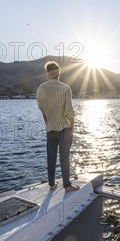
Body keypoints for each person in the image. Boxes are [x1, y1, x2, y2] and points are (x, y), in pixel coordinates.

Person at [36, 61, 79, 193]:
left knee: (51, 157)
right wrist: (72, 126)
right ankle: (67, 186)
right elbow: (69, 111)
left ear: (47, 73)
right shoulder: (65, 88)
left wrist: (48, 125)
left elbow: (42, 110)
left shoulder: (41, 88)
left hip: (50, 129)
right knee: (64, 157)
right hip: (64, 128)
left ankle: (52, 184)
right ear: (59, 73)